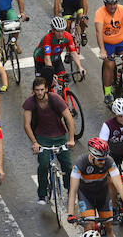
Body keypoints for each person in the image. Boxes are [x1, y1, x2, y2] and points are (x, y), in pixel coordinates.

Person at [23, 76, 76, 206]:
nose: (39, 93)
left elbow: (69, 119)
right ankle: (42, 194)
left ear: (46, 89)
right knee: (44, 164)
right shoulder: (30, 102)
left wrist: (71, 139)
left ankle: (70, 191)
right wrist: (35, 142)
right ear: (33, 90)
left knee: (68, 166)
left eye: (42, 89)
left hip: (60, 136)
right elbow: (27, 125)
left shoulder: (56, 99)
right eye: (37, 90)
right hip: (42, 137)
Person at [67, 137, 123, 235]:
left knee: (109, 227)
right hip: (86, 197)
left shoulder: (109, 161)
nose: (103, 162)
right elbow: (73, 190)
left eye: (104, 159)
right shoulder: (80, 163)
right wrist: (70, 213)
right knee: (89, 226)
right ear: (92, 156)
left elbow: (119, 185)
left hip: (103, 196)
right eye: (99, 159)